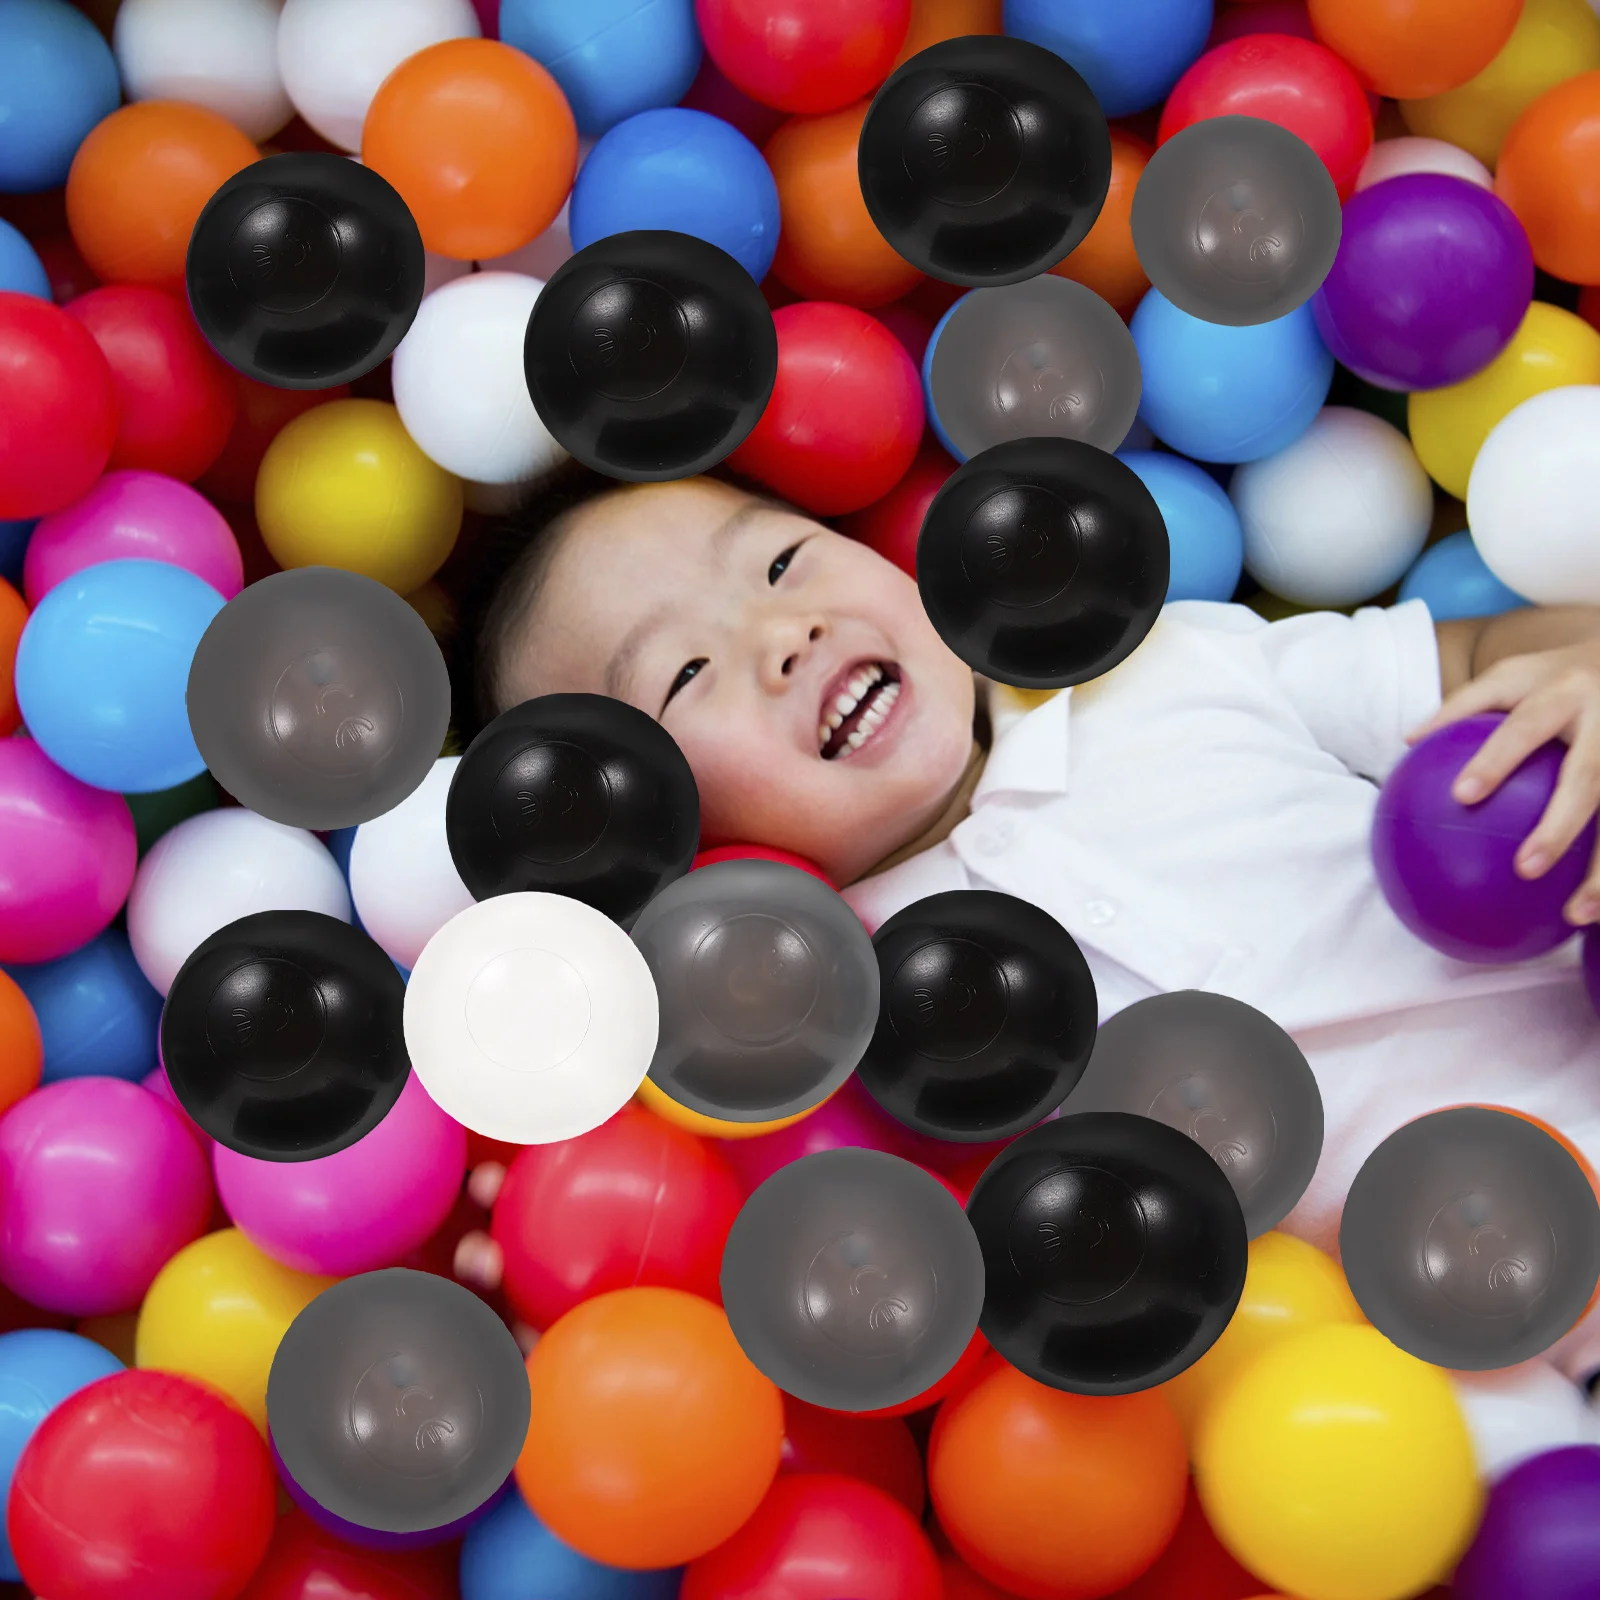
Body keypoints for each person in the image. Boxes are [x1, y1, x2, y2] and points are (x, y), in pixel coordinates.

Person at [446, 458, 1600, 1419]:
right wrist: (579, 1277)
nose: (781, 632)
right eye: (684, 673)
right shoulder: (823, 1027)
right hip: (1464, 1377)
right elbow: (770, 1258)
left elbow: (1481, 658)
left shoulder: (1163, 668)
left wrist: (1577, 674)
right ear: (663, 841)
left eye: (780, 560)